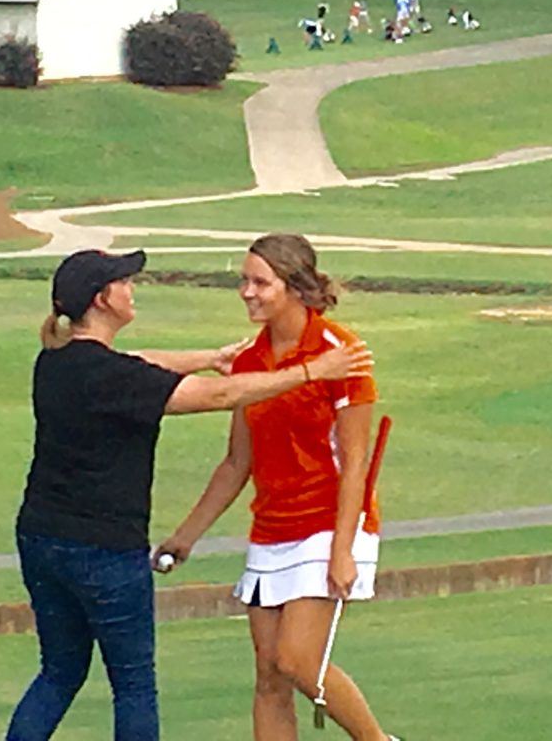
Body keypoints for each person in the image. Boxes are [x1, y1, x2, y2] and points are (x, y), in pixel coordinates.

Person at [6, 248, 373, 741]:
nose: (131, 288)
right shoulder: (118, 377)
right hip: (105, 549)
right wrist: (311, 371)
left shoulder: (56, 361)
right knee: (135, 686)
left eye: (258, 282)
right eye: (124, 282)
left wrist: (210, 357)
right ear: (103, 299)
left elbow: (139, 361)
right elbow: (220, 396)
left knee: (60, 672)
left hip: (40, 539)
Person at [156, 235, 401, 741]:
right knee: (269, 674)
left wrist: (341, 551)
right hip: (273, 526)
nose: (247, 292)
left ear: (293, 287)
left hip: (328, 522)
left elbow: (354, 463)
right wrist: (186, 535)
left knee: (297, 661)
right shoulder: (249, 361)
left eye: (259, 282)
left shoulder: (341, 353)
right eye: (243, 281)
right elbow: (236, 462)